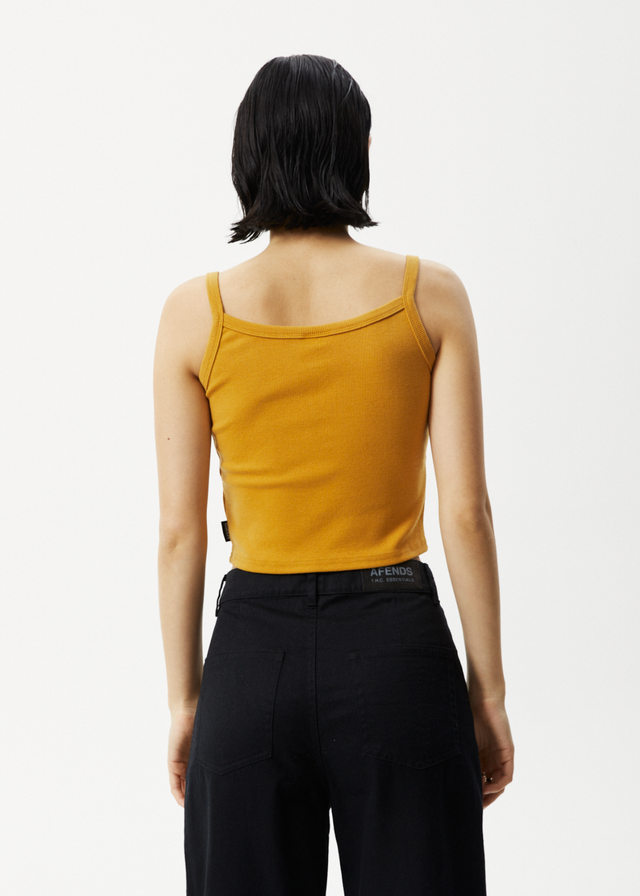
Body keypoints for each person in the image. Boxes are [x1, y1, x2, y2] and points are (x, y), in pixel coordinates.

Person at [153, 54, 514, 896]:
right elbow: (467, 511)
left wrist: (186, 703)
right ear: (358, 151)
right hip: (399, 653)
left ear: (247, 155)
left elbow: (178, 534)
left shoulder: (193, 314)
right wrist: (488, 694)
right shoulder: (431, 297)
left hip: (250, 658)